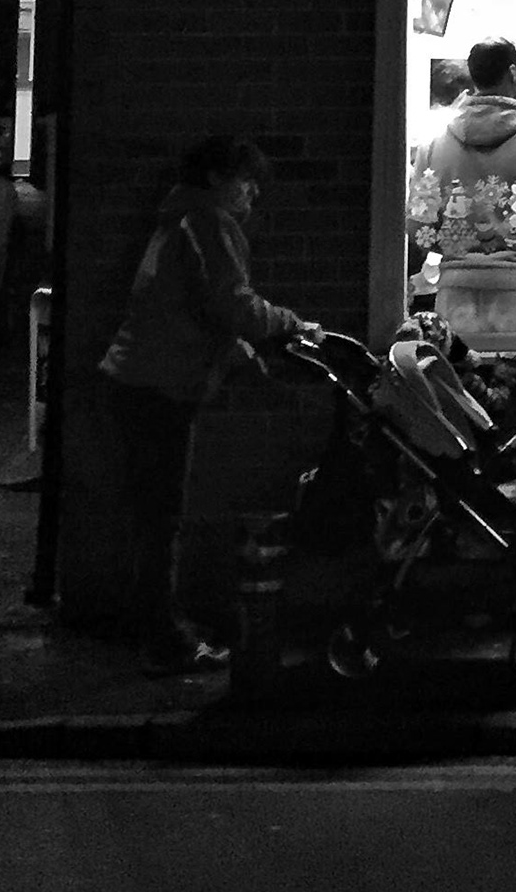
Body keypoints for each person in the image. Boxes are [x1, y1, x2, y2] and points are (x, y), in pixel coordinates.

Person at [98, 136, 322, 674]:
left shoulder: (180, 219)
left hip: (139, 380)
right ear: (219, 177)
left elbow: (196, 309)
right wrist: (293, 325)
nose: (253, 192)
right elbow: (231, 303)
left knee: (152, 513)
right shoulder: (208, 222)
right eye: (246, 179)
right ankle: (164, 640)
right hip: (157, 385)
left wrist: (247, 357)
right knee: (160, 516)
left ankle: (155, 624)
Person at [411, 37, 516, 337]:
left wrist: (452, 249)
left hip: (455, 293)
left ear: (474, 76)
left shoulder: (435, 141)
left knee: (458, 382)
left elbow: (418, 222)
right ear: (514, 74)